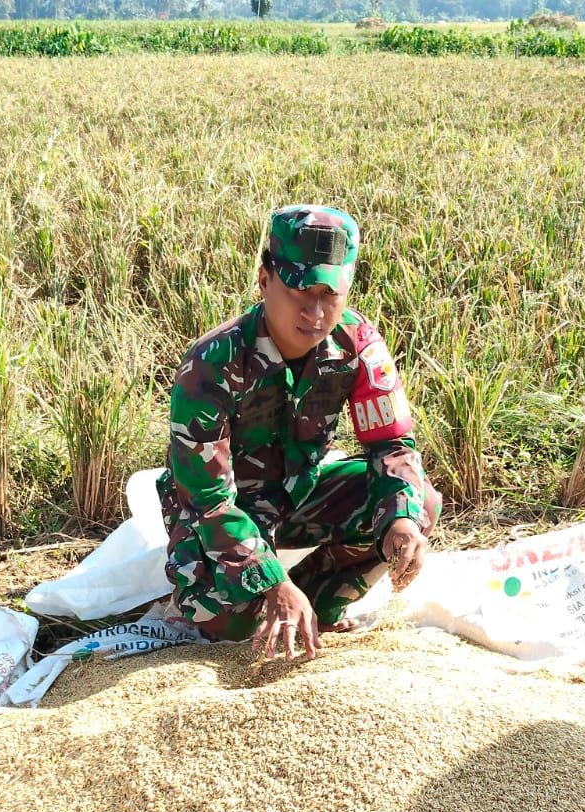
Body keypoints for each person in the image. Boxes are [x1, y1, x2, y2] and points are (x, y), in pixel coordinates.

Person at [158, 205, 442, 661]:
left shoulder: (358, 345)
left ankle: (316, 603)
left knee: (418, 502)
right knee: (227, 622)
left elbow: (390, 444)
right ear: (265, 280)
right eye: (299, 291)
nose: (315, 312)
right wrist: (270, 579)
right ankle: (282, 596)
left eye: (331, 295)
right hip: (222, 513)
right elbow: (207, 500)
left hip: (300, 495)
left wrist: (401, 519)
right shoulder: (211, 365)